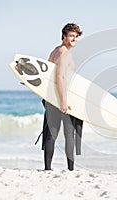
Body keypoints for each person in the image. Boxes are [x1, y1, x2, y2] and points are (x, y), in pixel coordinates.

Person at [42, 23, 83, 171]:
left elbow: (47, 75)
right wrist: (64, 100)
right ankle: (70, 169)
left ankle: (48, 168)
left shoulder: (56, 51)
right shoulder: (63, 53)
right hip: (60, 98)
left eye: (76, 36)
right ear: (64, 36)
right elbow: (60, 77)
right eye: (71, 35)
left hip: (53, 97)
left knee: (51, 133)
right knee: (67, 134)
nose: (74, 39)